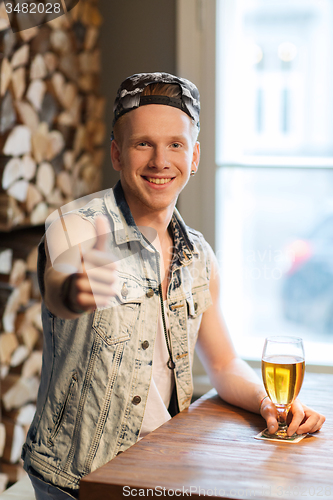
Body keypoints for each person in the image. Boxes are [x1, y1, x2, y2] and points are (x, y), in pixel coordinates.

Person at [22, 73, 325, 500]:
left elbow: (221, 365)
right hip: (76, 483)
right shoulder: (76, 225)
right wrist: (73, 291)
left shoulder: (197, 254)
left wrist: (267, 403)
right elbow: (60, 286)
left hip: (157, 468)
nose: (160, 160)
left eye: (175, 145)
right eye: (143, 143)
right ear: (117, 153)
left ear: (194, 156)